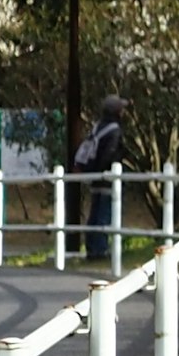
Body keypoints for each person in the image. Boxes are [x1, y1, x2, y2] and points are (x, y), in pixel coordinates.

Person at [71, 95, 131, 268]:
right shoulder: (114, 130)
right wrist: (109, 169)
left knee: (95, 213)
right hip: (106, 177)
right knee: (103, 214)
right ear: (117, 111)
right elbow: (110, 154)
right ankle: (100, 250)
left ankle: (92, 248)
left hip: (94, 176)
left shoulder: (99, 126)